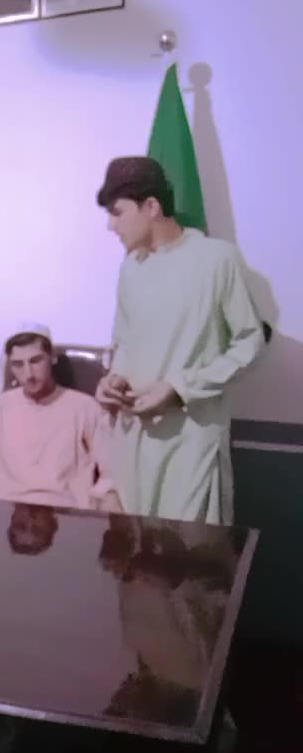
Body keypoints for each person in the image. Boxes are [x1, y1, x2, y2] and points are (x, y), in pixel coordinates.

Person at [95, 156, 264, 523]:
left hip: (191, 444)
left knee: (189, 554)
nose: (110, 225)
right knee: (135, 552)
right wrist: (114, 380)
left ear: (151, 206)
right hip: (133, 443)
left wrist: (179, 388)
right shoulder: (131, 268)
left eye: (117, 212)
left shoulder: (217, 260)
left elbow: (250, 343)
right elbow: (125, 342)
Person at [0, 323, 121, 510]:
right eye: (18, 364)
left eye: (35, 361)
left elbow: (110, 472)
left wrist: (105, 507)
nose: (28, 374)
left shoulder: (86, 407)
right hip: (5, 510)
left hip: (66, 513)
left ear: (52, 358)